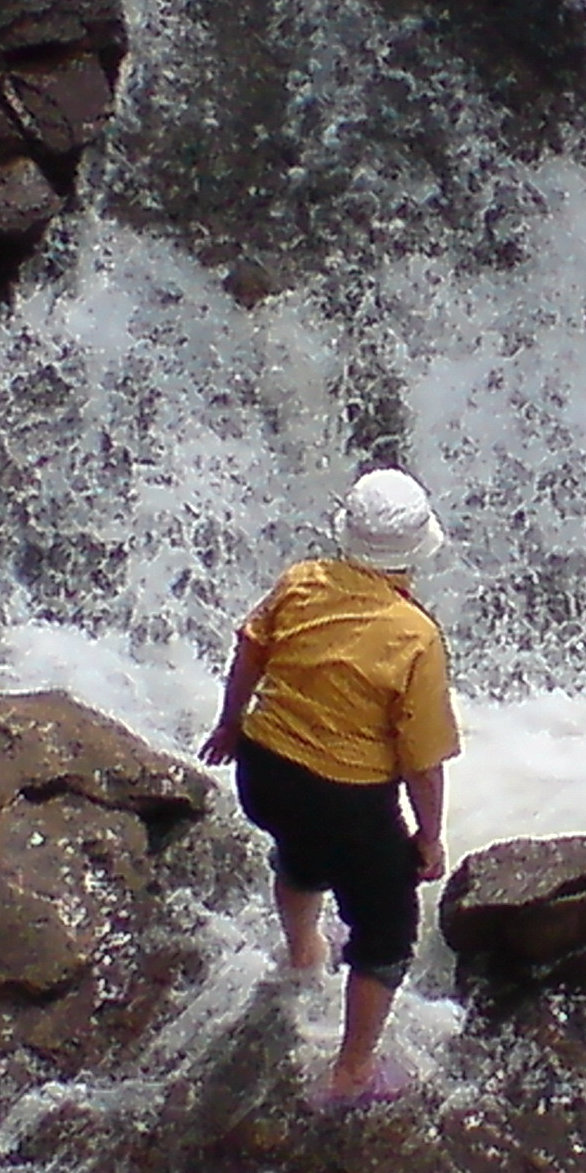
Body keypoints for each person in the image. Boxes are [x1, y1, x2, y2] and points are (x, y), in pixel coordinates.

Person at [198, 468, 460, 1107]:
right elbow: (422, 761)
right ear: (416, 552)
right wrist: (429, 840)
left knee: (299, 851)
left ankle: (304, 952)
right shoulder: (415, 635)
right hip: (349, 798)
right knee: (388, 927)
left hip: (266, 773)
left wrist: (230, 725)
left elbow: (249, 652)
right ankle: (352, 1073)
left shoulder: (302, 581)